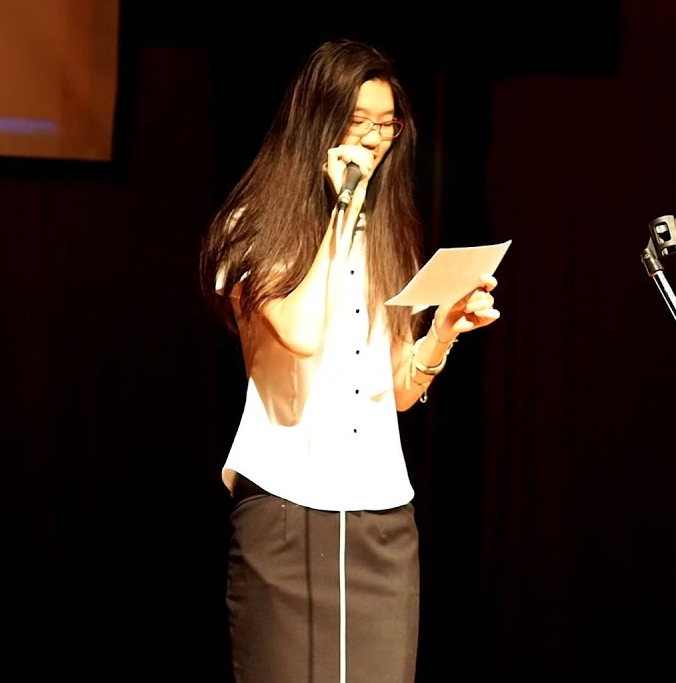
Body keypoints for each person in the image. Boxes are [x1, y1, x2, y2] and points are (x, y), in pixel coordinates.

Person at [198, 38, 501, 683]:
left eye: (386, 125)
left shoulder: (388, 234)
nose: (372, 139)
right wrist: (342, 213)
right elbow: (301, 332)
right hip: (285, 510)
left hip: (382, 518)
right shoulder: (252, 227)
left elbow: (397, 390)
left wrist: (442, 331)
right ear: (317, 121)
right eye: (357, 121)